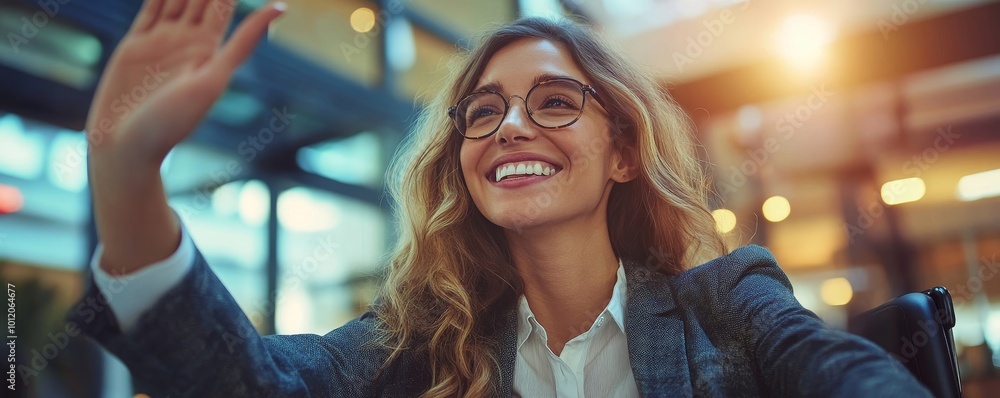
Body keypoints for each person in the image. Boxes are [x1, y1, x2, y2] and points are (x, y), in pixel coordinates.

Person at [69, 0, 932, 397]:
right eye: (483, 113)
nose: (509, 127)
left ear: (623, 151)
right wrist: (125, 170)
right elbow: (245, 384)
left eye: (554, 101)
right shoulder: (415, 342)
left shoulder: (729, 301)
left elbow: (845, 377)